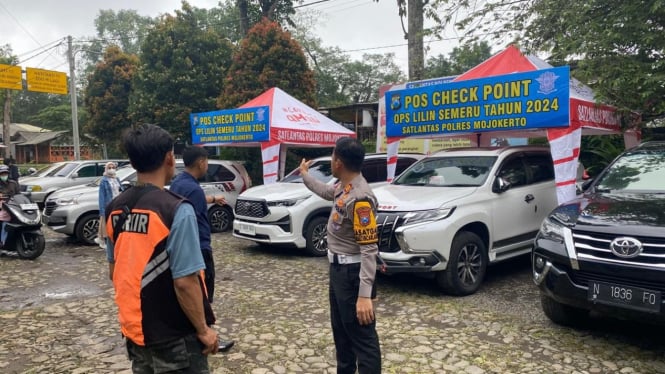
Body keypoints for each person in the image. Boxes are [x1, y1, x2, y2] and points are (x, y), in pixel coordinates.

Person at [105, 124, 219, 373]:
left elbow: (114, 270)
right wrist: (203, 329)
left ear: (133, 162)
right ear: (169, 158)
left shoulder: (114, 208)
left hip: (136, 333)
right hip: (175, 336)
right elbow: (185, 281)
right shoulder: (176, 210)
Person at [299, 137, 382, 374]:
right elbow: (325, 191)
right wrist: (305, 174)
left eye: (333, 155)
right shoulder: (343, 187)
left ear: (338, 162)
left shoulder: (360, 198)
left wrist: (365, 295)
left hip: (353, 276)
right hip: (338, 272)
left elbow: (369, 250)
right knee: (342, 335)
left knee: (363, 340)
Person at [169, 145, 235, 352]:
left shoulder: (178, 183)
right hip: (199, 248)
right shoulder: (194, 189)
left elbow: (195, 200)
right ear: (201, 162)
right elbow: (194, 219)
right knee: (204, 294)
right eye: (206, 161)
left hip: (182, 247)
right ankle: (206, 334)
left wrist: (214, 198)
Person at [95, 162, 121, 249]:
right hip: (108, 203)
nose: (111, 169)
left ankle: (114, 239)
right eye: (109, 168)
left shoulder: (117, 179)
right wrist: (102, 209)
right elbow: (101, 196)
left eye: (113, 167)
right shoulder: (104, 181)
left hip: (118, 202)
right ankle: (103, 239)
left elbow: (120, 189)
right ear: (106, 169)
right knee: (105, 222)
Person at [0, 165, 20, 247]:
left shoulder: (13, 183)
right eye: (2, 174)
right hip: (2, 207)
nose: (4, 175)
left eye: (5, 173)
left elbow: (19, 194)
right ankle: (2, 241)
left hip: (13, 206)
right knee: (3, 222)